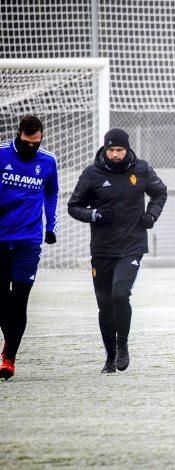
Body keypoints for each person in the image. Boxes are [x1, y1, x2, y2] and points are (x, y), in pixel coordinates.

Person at [68, 128, 168, 373]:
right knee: (104, 303)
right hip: (102, 248)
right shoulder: (92, 174)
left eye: (119, 150)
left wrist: (151, 215)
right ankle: (110, 357)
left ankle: (122, 345)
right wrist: (93, 214)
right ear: (105, 149)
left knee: (120, 294)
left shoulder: (141, 169)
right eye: (111, 150)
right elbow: (74, 206)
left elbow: (160, 192)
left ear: (127, 149)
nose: (115, 154)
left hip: (131, 246)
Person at [0, 116, 59, 380]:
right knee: (3, 301)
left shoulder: (48, 161)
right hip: (1, 238)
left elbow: (51, 192)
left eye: (37, 143)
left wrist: (50, 225)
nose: (32, 147)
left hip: (29, 240)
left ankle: (8, 358)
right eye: (27, 142)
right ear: (19, 135)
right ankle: (8, 349)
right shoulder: (1, 155)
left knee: (20, 300)